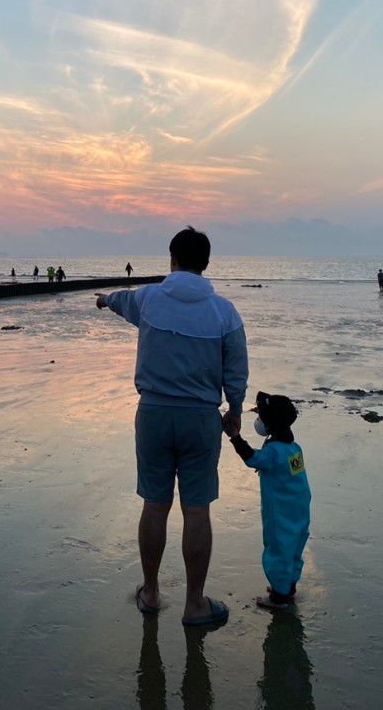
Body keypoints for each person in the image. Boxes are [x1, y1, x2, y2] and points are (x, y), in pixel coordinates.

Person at [96, 226, 248, 627]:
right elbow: (236, 370)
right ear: (206, 264)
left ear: (172, 259)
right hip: (200, 419)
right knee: (197, 510)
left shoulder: (149, 299)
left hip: (154, 416)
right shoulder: (224, 312)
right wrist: (234, 411)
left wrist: (103, 300)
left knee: (155, 505)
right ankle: (194, 604)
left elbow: (120, 300)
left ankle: (150, 592)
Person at [227, 391, 311, 612]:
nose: (259, 421)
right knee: (293, 549)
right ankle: (287, 586)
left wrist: (235, 436)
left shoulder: (273, 452)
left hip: (280, 513)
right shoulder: (294, 448)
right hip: (299, 510)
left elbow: (252, 458)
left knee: (278, 549)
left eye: (262, 417)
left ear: (271, 423)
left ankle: (279, 597)